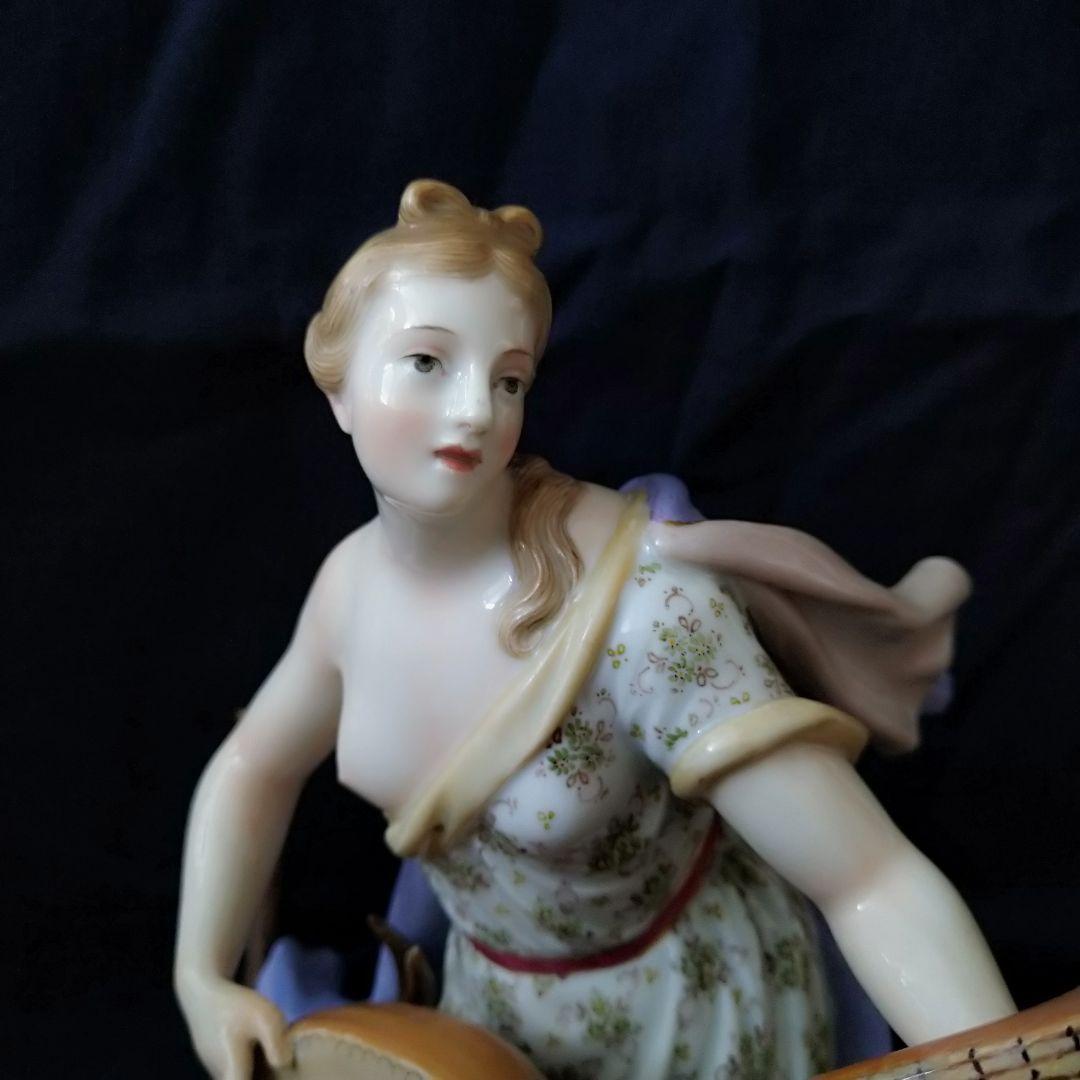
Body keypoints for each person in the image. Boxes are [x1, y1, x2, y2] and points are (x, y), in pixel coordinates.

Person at [175, 180, 1015, 1080]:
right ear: (338, 384)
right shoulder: (349, 589)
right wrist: (201, 976)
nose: (475, 411)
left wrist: (1004, 1063)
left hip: (685, 1023)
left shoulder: (640, 608)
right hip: (486, 1025)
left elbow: (867, 877)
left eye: (508, 379)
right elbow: (255, 764)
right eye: (427, 362)